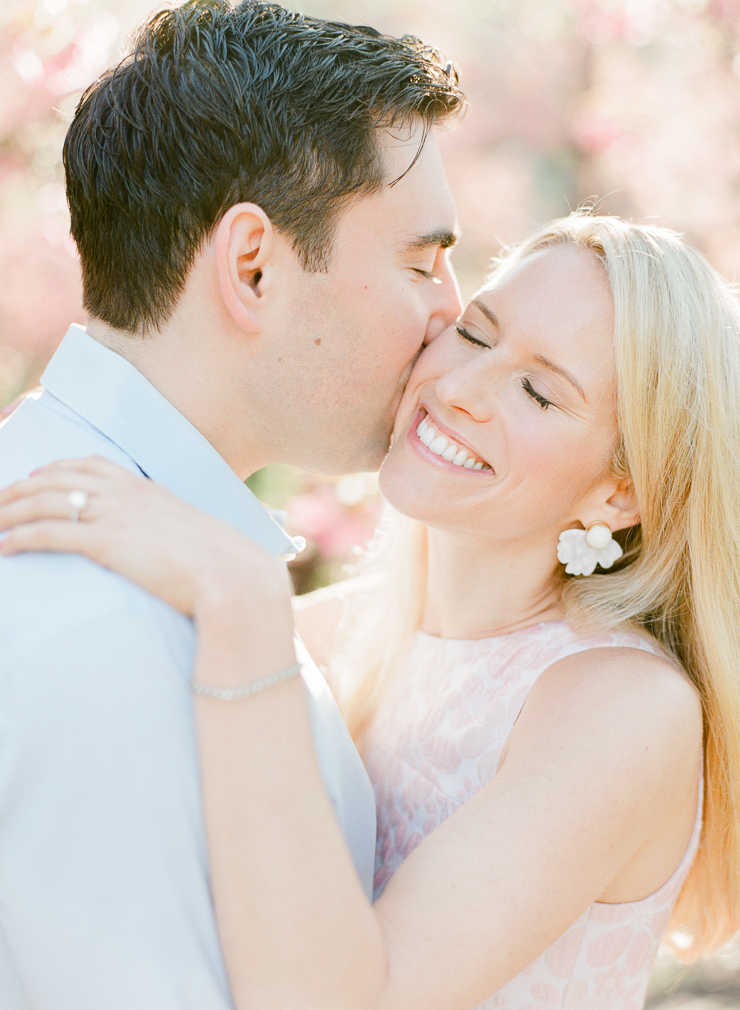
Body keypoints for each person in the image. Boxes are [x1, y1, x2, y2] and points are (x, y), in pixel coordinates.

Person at [4, 212, 739, 1010]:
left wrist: (243, 599)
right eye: (474, 334)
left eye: (537, 391)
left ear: (621, 493)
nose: (458, 389)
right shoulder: (322, 635)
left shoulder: (624, 706)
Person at [0, 1, 464, 1005]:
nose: (453, 312)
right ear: (253, 265)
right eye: (422, 262)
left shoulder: (125, 544)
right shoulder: (111, 635)